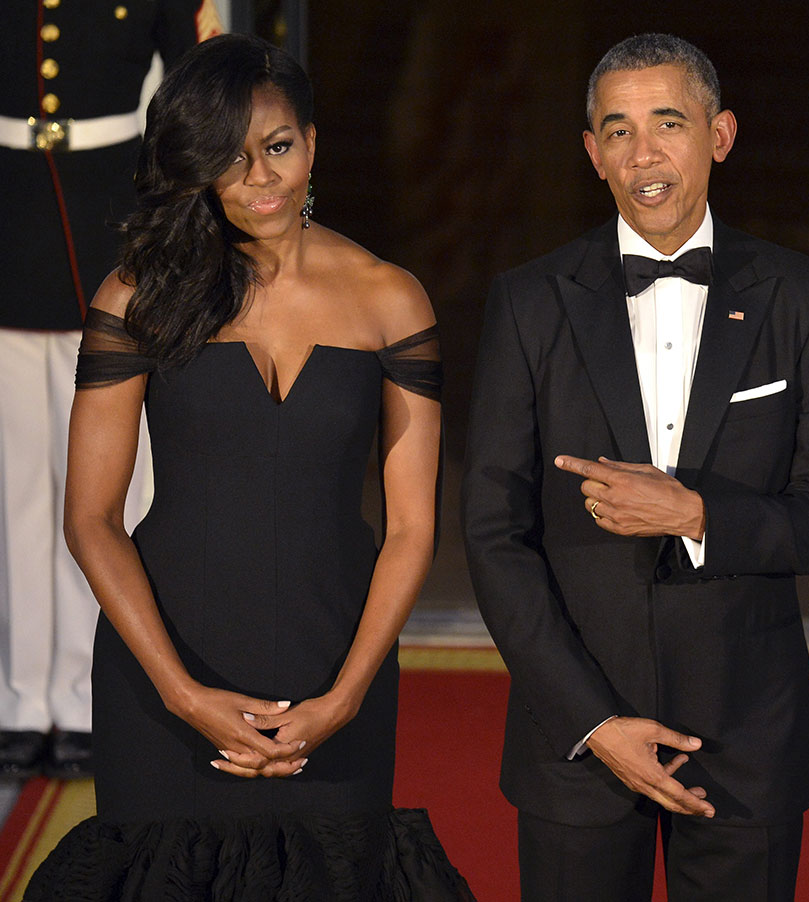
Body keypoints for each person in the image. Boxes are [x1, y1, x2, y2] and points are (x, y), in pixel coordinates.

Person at [25, 33, 473, 901]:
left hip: (334, 667)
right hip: (163, 673)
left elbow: (414, 526)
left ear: (313, 142)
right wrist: (182, 693)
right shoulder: (137, 295)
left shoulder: (391, 298)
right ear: (195, 164)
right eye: (231, 158)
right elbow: (91, 519)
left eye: (277, 147)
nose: (261, 178)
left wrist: (346, 697)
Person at [462, 32, 809, 902]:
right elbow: (494, 534)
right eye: (617, 130)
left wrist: (696, 516)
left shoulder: (805, 298)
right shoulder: (529, 302)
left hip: (746, 741)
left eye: (668, 123)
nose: (642, 153)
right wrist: (592, 721)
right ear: (591, 154)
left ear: (719, 135)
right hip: (576, 741)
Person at [0, 0, 222, 779]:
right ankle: (24, 701)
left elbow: (196, 87)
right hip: (10, 218)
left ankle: (99, 697)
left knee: (111, 491)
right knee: (18, 492)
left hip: (113, 216)